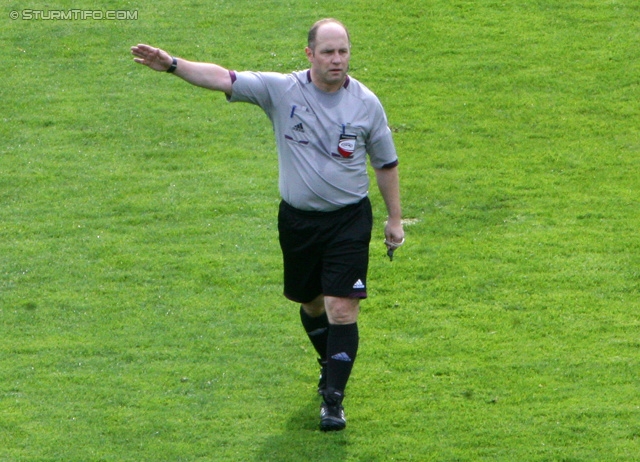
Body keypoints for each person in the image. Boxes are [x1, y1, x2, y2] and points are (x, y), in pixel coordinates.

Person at [131, 18, 404, 432]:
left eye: (343, 51)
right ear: (310, 54)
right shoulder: (281, 90)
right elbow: (224, 78)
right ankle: (326, 361)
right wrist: (172, 64)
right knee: (311, 304)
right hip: (297, 222)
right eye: (328, 51)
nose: (337, 59)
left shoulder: (366, 103)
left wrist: (394, 218)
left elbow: (385, 163)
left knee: (341, 308)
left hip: (348, 219)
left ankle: (333, 400)